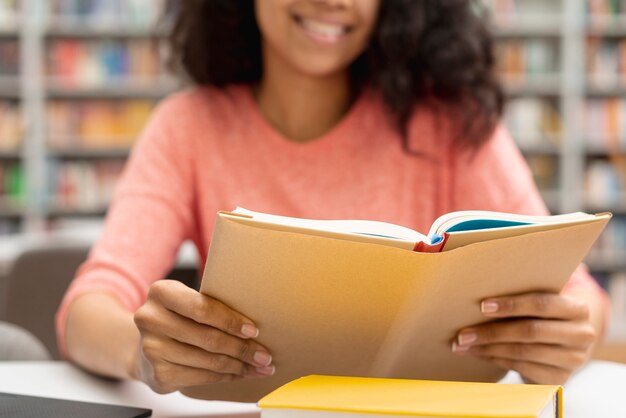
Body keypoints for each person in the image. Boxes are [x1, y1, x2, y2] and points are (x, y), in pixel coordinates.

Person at [56, 0, 607, 395]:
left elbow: (581, 297)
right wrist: (144, 355)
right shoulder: (188, 125)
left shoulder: (452, 124)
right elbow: (91, 305)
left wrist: (560, 344)